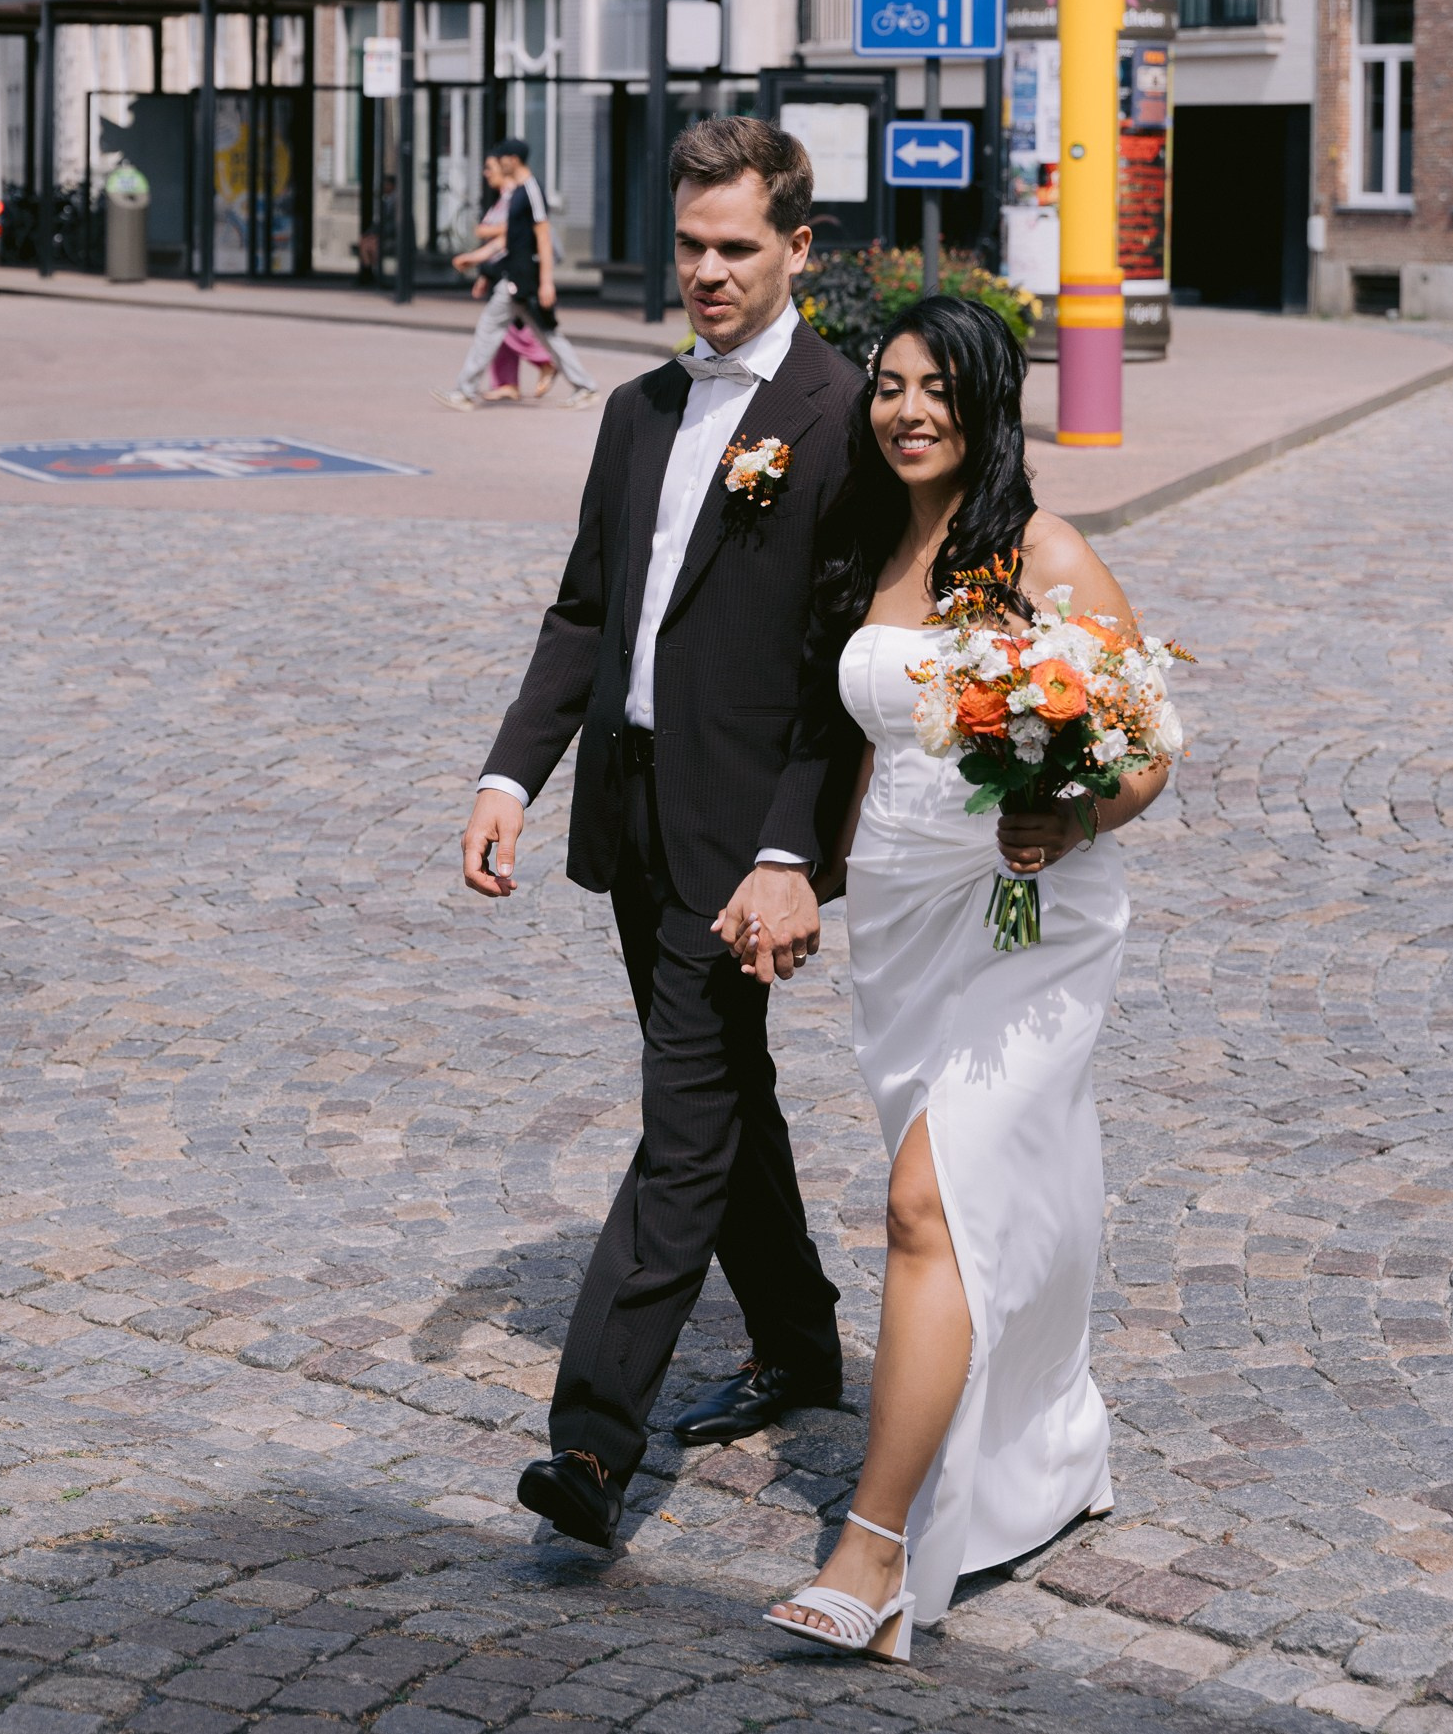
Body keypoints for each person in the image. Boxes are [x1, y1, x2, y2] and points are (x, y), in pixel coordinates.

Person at [459, 115, 864, 1547]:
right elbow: (586, 613)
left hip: (746, 839)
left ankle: (591, 1442)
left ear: (797, 247)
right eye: (689, 245)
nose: (706, 271)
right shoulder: (637, 414)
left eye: (735, 247)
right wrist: (514, 773)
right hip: (632, 815)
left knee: (681, 1119)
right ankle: (805, 1345)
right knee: (722, 1086)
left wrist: (788, 853)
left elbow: (840, 681)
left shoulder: (837, 416)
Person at [758, 295, 1169, 1662]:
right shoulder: (867, 544)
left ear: (987, 403)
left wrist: (1071, 814)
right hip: (906, 919)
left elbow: (1147, 750)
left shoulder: (1042, 553)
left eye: (937, 386)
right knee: (983, 1208)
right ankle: (1046, 1446)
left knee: (926, 1199)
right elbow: (856, 748)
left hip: (1030, 916)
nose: (907, 408)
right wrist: (800, 875)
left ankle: (872, 1548)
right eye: (886, 384)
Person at [438, 138, 596, 410]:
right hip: (516, 277)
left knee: (497, 330)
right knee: (546, 334)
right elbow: (508, 240)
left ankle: (464, 392)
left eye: (500, 160)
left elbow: (543, 236)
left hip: (525, 279)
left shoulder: (531, 190)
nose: (496, 166)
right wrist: (475, 259)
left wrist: (546, 282)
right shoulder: (517, 193)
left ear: (512, 159)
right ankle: (585, 387)